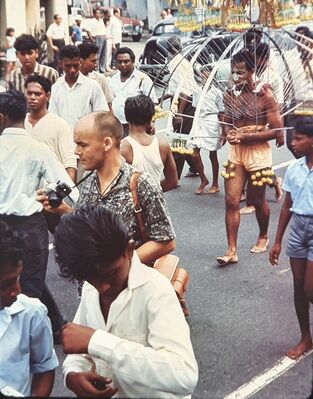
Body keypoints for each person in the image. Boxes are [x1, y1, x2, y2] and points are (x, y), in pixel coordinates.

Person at [53, 205, 198, 398]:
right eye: (90, 277)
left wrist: (97, 342)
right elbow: (81, 347)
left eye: (111, 273)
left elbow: (184, 375)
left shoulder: (155, 291)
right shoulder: (91, 289)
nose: (102, 287)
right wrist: (72, 374)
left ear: (129, 250)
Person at [37, 111, 176, 267]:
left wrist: (120, 265)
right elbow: (88, 221)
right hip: (90, 286)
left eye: (83, 145)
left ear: (107, 143)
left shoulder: (142, 184)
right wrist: (64, 209)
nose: (76, 151)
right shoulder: (88, 179)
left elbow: (166, 241)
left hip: (130, 286)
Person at [0, 90, 78, 342]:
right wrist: (52, 197)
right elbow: (68, 188)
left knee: (18, 284)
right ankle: (56, 326)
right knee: (30, 281)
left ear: (1, 118)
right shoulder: (38, 148)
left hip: (3, 227)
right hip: (31, 227)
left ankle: (28, 341)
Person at [216, 49, 283, 265]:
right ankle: (231, 250)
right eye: (234, 72)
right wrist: (228, 134)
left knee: (256, 199)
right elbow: (226, 120)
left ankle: (263, 234)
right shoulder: (229, 95)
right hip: (237, 152)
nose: (237, 77)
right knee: (231, 200)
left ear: (252, 71)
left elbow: (276, 131)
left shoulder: (265, 96)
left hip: (258, 152)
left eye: (242, 72)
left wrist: (246, 137)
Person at [269, 116, 313, 359]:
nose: (293, 143)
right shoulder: (294, 169)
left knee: (310, 291)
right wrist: (277, 241)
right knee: (298, 288)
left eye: (299, 139)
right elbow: (287, 205)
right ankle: (305, 338)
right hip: (298, 230)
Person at [0, 220, 58, 396]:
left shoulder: (31, 314)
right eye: (6, 284)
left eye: (17, 279)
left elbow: (45, 367)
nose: (17, 290)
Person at [24, 74, 77, 182]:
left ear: (47, 96)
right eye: (29, 93)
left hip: (51, 188)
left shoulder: (59, 124)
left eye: (37, 94)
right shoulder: (20, 122)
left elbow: (69, 163)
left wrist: (66, 195)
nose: (32, 97)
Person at [121, 94, 178, 192]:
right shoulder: (162, 145)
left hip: (130, 204)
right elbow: (172, 182)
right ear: (151, 117)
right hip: (155, 203)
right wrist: (152, 191)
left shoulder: (122, 147)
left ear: (126, 117)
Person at [48, 45, 109, 131]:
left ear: (80, 62)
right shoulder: (56, 87)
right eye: (68, 66)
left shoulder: (92, 86)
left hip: (87, 138)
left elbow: (102, 115)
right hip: (63, 138)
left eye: (75, 65)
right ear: (60, 64)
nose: (72, 70)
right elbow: (53, 117)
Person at [163, 36, 199, 179]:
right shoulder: (174, 63)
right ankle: (195, 166)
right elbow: (174, 89)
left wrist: (180, 114)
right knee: (180, 138)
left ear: (170, 50)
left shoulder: (180, 64)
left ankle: (174, 176)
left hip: (185, 104)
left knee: (179, 139)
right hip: (178, 103)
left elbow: (185, 92)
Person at [190, 64, 225, 195]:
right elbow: (195, 108)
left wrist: (223, 132)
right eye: (203, 74)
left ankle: (215, 183)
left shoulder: (217, 92)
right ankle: (203, 179)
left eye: (208, 74)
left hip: (212, 122)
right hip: (198, 121)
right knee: (194, 153)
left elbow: (222, 112)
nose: (205, 77)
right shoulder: (196, 90)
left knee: (212, 154)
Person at [109, 47, 158, 137]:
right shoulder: (113, 80)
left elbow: (152, 103)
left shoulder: (143, 79)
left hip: (137, 126)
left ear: (133, 62)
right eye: (119, 62)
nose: (123, 64)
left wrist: (151, 123)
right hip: (117, 125)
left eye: (126, 61)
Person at [78, 42, 114, 111]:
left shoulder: (100, 79)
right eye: (93, 61)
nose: (96, 65)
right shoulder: (69, 81)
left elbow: (109, 106)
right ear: (81, 60)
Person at [86, 8, 107, 73]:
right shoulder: (92, 21)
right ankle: (96, 68)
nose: (98, 14)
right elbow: (88, 30)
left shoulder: (101, 21)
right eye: (97, 13)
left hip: (103, 36)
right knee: (98, 54)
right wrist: (91, 39)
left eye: (99, 13)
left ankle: (102, 68)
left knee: (104, 54)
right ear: (94, 14)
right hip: (97, 37)